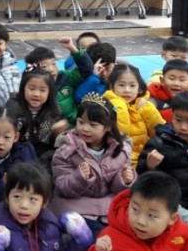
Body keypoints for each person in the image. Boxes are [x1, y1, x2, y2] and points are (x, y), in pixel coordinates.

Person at [50, 94, 134, 237]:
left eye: (93, 125)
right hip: (77, 207)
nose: (85, 128)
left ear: (108, 126)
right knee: (99, 236)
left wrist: (125, 180)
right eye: (81, 122)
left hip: (108, 207)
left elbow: (119, 190)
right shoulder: (66, 149)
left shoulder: (121, 150)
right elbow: (62, 187)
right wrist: (80, 177)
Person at [137, 91, 188, 217]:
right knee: (183, 216)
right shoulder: (159, 142)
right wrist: (149, 165)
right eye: (178, 120)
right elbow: (142, 175)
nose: (183, 127)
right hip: (169, 199)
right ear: (172, 118)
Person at [103, 64, 166, 166]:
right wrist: (118, 106)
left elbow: (161, 131)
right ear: (112, 87)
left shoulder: (144, 106)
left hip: (145, 159)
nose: (127, 90)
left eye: (132, 86)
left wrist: (147, 109)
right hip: (118, 161)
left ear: (139, 88)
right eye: (121, 85)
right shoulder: (106, 106)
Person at [24, 38, 94, 125]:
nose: (51, 69)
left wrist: (72, 48)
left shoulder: (65, 77)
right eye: (44, 66)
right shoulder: (34, 91)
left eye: (53, 64)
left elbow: (87, 70)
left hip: (76, 124)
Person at [11, 67, 66, 165]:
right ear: (23, 89)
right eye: (32, 89)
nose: (36, 94)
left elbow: (56, 147)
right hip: (18, 159)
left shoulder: (54, 114)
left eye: (42, 90)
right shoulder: (13, 110)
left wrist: (59, 134)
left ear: (50, 92)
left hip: (45, 161)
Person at [148, 59, 188, 123]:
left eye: (182, 80)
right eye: (172, 79)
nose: (176, 83)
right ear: (162, 80)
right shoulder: (151, 96)